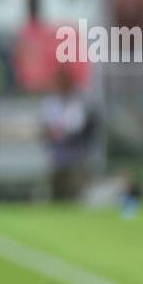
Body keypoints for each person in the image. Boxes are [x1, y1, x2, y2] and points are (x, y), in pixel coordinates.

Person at [39, 67, 98, 202]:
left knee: (74, 194)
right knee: (56, 194)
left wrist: (65, 134)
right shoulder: (50, 102)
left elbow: (81, 126)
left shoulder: (79, 101)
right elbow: (45, 126)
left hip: (75, 154)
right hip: (56, 155)